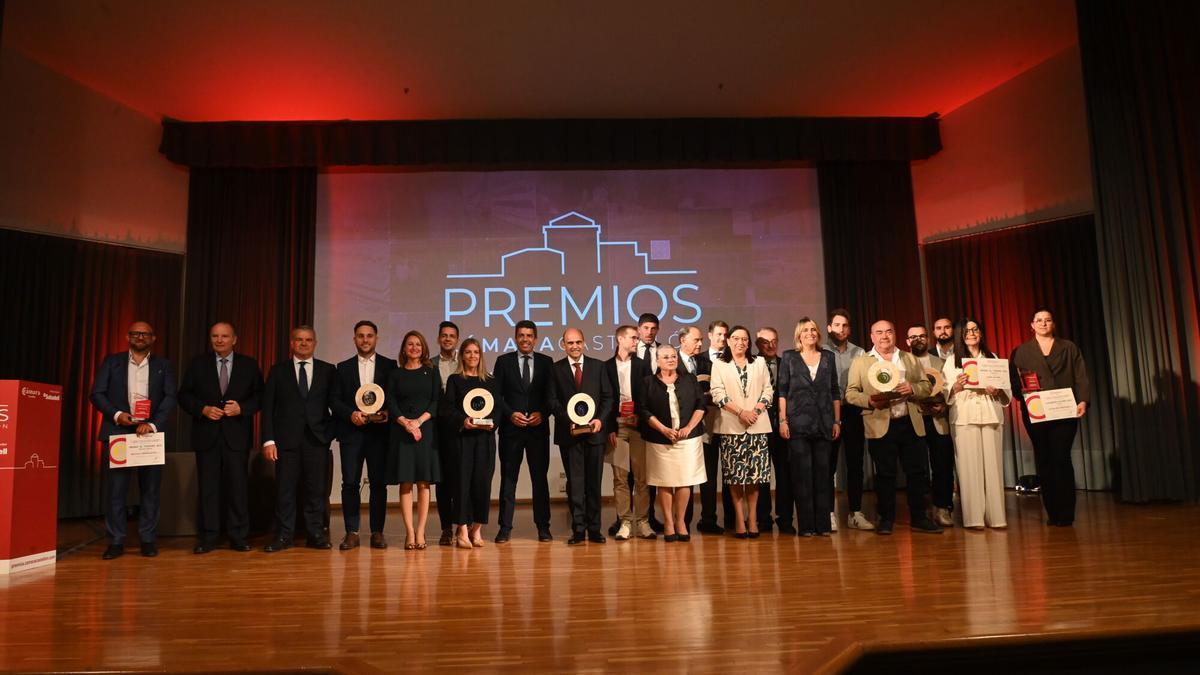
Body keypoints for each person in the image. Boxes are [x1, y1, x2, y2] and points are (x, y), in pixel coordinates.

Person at [90, 320, 178, 559]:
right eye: (136, 333)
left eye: (146, 334)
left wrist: (152, 424)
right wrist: (118, 415)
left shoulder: (163, 365)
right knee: (116, 491)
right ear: (128, 336)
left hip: (149, 434)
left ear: (153, 338)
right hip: (119, 432)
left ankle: (147, 539)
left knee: (150, 490)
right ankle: (117, 540)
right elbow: (97, 393)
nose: (141, 337)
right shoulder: (112, 361)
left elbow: (171, 396)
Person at [844, 320, 941, 535]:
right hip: (880, 423)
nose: (884, 336)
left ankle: (919, 517)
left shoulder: (909, 358)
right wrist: (869, 400)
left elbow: (926, 386)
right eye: (879, 332)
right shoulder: (862, 362)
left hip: (910, 422)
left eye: (889, 331)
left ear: (895, 334)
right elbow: (850, 393)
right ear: (872, 337)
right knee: (885, 474)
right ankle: (886, 519)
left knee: (917, 473)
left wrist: (912, 388)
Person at [177, 321, 262, 553]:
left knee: (238, 488)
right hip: (207, 436)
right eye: (215, 336)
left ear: (234, 339)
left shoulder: (249, 365)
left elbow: (260, 397)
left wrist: (242, 409)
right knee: (209, 488)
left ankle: (239, 536)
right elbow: (183, 395)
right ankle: (209, 537)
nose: (219, 340)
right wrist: (202, 409)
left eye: (224, 336)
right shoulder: (198, 364)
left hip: (236, 436)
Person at [261, 325, 339, 552]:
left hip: (317, 440)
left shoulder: (327, 370)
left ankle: (315, 533)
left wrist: (329, 433)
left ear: (315, 343)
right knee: (285, 489)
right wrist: (268, 440)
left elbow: (336, 404)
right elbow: (268, 408)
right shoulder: (278, 371)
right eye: (299, 340)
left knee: (316, 490)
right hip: (286, 442)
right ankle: (284, 535)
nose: (304, 343)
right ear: (292, 343)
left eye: (308, 340)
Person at [1010, 307, 1090, 527]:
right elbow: (1015, 383)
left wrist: (1082, 400)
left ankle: (1066, 514)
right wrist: (1024, 393)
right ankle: (1052, 512)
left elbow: (1080, 375)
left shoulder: (1069, 347)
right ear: (1032, 325)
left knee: (1061, 458)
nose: (1043, 323)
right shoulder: (1021, 351)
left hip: (1065, 410)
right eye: (1039, 320)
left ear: (1053, 324)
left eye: (1048, 320)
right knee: (1044, 459)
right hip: (1037, 412)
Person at [329, 320, 397, 550]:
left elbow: (393, 397)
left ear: (376, 338)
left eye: (369, 335)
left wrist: (387, 412)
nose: (365, 340)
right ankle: (352, 532)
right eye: (360, 336)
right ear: (354, 339)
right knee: (350, 483)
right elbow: (335, 400)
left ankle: (377, 532)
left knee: (379, 484)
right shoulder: (343, 367)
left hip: (379, 435)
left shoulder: (390, 366)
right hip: (352, 434)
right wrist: (351, 414)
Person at [776, 318, 841, 536]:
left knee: (823, 476)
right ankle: (806, 526)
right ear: (799, 335)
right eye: (805, 330)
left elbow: (834, 391)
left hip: (824, 424)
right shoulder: (789, 357)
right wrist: (783, 420)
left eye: (813, 329)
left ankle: (823, 525)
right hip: (797, 425)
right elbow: (782, 391)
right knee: (802, 477)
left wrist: (836, 420)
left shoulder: (828, 357)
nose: (810, 333)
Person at [547, 328, 613, 545]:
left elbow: (607, 397)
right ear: (563, 345)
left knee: (594, 483)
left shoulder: (598, 366)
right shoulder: (555, 369)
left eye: (578, 342)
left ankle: (595, 529)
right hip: (570, 435)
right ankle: (578, 530)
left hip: (595, 434)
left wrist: (600, 420)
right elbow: (552, 401)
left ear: (584, 343)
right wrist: (569, 419)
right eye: (569, 343)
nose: (574, 346)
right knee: (575, 485)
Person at [492, 320, 555, 543]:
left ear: (535, 339)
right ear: (515, 338)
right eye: (521, 335)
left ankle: (543, 527)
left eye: (529, 335)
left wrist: (543, 413)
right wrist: (510, 414)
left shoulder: (547, 363)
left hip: (538, 431)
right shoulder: (503, 362)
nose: (525, 339)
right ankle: (505, 527)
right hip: (511, 431)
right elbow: (497, 396)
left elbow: (551, 396)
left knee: (540, 480)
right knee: (508, 480)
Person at [943, 317, 1010, 529]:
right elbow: (945, 391)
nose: (972, 333)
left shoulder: (993, 358)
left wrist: (997, 390)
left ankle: (997, 517)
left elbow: (1005, 392)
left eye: (975, 330)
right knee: (968, 467)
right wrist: (955, 387)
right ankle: (974, 518)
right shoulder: (952, 360)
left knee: (993, 467)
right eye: (967, 330)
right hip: (964, 417)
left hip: (991, 415)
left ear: (981, 333)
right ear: (961, 335)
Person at [710, 325, 774, 539]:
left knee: (755, 476)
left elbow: (768, 390)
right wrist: (741, 412)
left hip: (757, 424)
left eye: (745, 339)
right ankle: (739, 518)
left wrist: (755, 411)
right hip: (731, 426)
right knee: (735, 477)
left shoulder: (760, 362)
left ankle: (753, 518)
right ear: (728, 341)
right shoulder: (719, 364)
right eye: (736, 338)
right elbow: (717, 393)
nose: (740, 342)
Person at [640, 344, 706, 542]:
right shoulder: (647, 382)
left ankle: (681, 522)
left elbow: (701, 405)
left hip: (688, 439)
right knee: (665, 482)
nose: (671, 359)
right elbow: (643, 410)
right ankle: (668, 522)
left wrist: (688, 428)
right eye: (666, 357)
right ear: (657, 361)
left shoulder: (689, 379)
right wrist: (663, 429)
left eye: (674, 356)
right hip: (660, 440)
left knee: (685, 481)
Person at [441, 338, 503, 548]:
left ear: (481, 355)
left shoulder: (491, 381)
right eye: (468, 352)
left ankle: (477, 529)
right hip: (463, 441)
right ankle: (462, 530)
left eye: (476, 352)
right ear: (462, 355)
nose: (472, 356)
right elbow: (447, 409)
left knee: (482, 484)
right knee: (462, 485)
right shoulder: (454, 380)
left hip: (484, 440)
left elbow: (498, 410)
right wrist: (463, 421)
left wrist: (492, 423)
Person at [387, 330, 442, 549]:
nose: (414, 348)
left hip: (426, 431)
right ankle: (409, 533)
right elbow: (390, 402)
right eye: (410, 344)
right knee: (406, 481)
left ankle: (421, 532)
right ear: (404, 348)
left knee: (423, 482)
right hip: (402, 432)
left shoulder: (432, 372)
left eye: (418, 344)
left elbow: (436, 402)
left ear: (424, 348)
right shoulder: (396, 374)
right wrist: (405, 422)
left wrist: (418, 422)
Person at [604, 325, 653, 541]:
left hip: (638, 427)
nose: (637, 340)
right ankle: (624, 522)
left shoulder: (643, 366)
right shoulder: (605, 367)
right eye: (633, 338)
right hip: (618, 427)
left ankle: (642, 521)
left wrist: (641, 418)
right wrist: (608, 429)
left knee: (642, 477)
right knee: (620, 477)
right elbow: (602, 401)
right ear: (620, 339)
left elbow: (649, 397)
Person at [823, 309, 871, 531]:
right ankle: (828, 513)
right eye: (836, 325)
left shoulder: (860, 353)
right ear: (829, 327)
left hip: (853, 412)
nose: (840, 330)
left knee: (855, 464)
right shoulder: (820, 351)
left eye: (845, 326)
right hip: (828, 413)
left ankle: (856, 512)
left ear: (849, 329)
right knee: (828, 465)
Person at [906, 324, 956, 528]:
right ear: (907, 341)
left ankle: (942, 508)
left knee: (943, 466)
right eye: (913, 337)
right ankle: (922, 510)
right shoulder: (902, 362)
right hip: (915, 419)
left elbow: (950, 388)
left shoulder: (942, 363)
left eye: (922, 336)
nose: (918, 339)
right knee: (917, 469)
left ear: (928, 338)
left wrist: (943, 404)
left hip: (938, 420)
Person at [694, 320, 729, 534]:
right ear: (709, 335)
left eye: (725, 335)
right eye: (718, 335)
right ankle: (708, 519)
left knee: (730, 474)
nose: (722, 339)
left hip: (729, 422)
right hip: (706, 423)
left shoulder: (733, 359)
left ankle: (732, 518)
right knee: (708, 474)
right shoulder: (698, 360)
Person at [756, 327, 788, 533]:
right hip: (758, 425)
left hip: (783, 427)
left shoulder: (787, 364)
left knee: (785, 474)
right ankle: (763, 518)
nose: (771, 345)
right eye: (766, 342)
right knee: (761, 475)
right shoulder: (752, 364)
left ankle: (785, 518)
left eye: (774, 341)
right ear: (758, 344)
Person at [430, 320, 459, 546]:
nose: (448, 339)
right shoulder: (429, 365)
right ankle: (446, 528)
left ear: (456, 340)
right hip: (438, 430)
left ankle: (462, 526)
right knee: (443, 482)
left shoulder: (466, 362)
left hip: (462, 429)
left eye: (452, 336)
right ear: (439, 339)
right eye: (444, 335)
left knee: (461, 480)